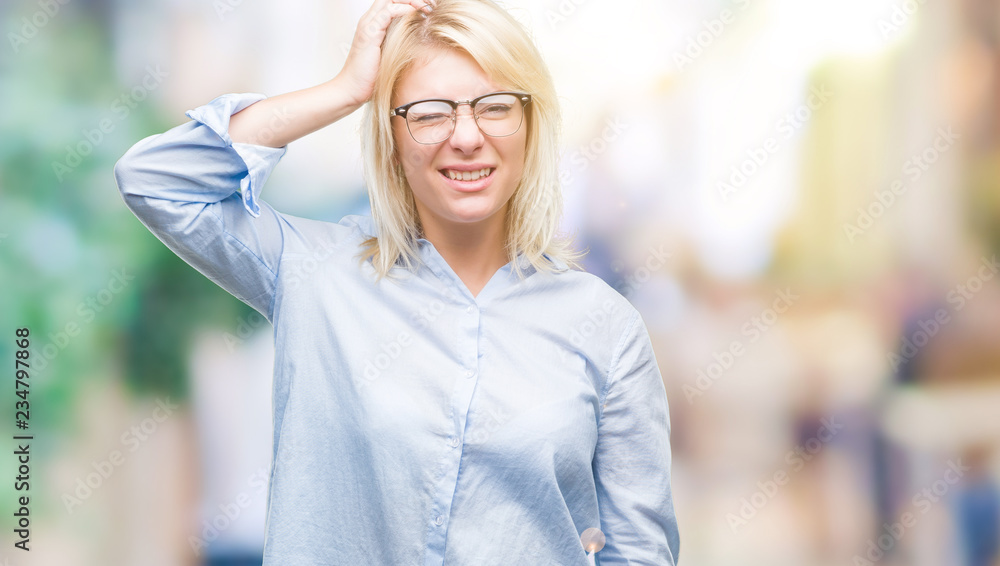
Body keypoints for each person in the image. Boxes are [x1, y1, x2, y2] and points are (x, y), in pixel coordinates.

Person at [114, 0, 680, 563]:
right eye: (430, 113)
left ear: (530, 126)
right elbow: (157, 182)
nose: (465, 136)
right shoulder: (315, 274)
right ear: (391, 137)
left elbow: (639, 552)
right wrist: (346, 89)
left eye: (495, 107)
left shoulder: (606, 327)